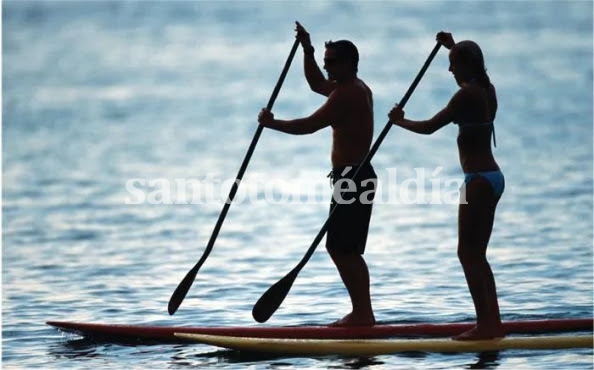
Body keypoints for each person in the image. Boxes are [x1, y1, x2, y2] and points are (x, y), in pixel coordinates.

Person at [257, 21, 377, 327]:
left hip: (354, 178)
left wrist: (273, 124)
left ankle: (363, 314)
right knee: (344, 248)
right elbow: (314, 84)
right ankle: (363, 313)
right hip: (352, 177)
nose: (327, 69)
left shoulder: (348, 93)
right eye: (325, 63)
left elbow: (308, 126)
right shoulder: (350, 87)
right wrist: (308, 50)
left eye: (332, 63)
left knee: (342, 248)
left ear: (350, 63)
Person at [388, 31, 505, 340]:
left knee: (467, 253)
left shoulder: (465, 95)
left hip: (478, 180)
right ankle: (492, 322)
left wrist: (399, 120)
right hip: (492, 177)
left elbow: (428, 128)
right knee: (477, 254)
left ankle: (486, 326)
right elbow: (472, 63)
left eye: (454, 65)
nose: (450, 70)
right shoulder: (487, 88)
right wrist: (453, 48)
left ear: (467, 65)